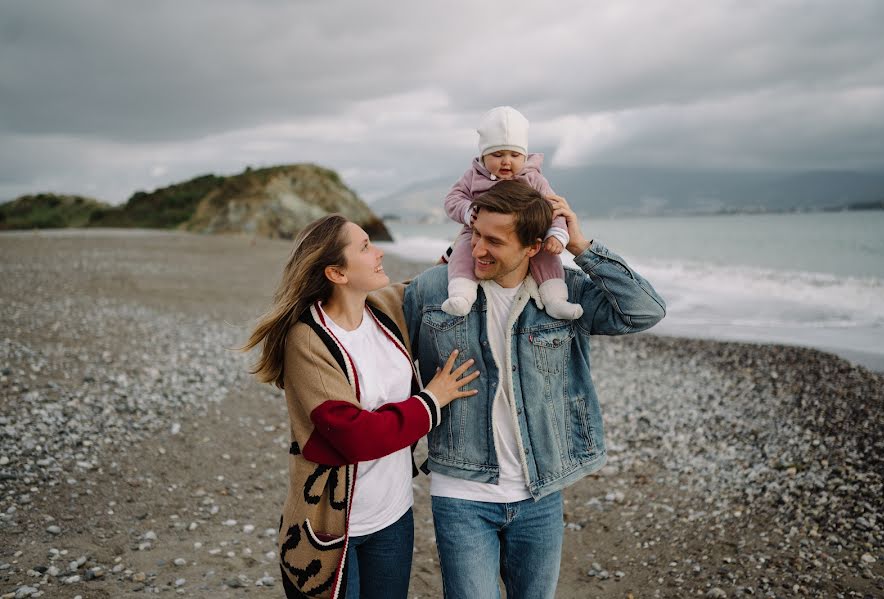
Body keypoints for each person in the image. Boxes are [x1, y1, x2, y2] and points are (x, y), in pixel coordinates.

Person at [403, 180, 666, 598]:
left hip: (540, 491)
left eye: (495, 241)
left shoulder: (565, 293)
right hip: (461, 490)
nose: (478, 250)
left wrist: (581, 245)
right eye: (475, 235)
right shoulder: (434, 291)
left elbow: (645, 310)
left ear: (533, 247)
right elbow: (390, 362)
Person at [243, 214, 480, 599]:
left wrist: (473, 231)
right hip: (330, 530)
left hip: (394, 517)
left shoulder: (384, 308)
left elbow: (435, 279)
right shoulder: (307, 341)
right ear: (337, 273)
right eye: (366, 247)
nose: (379, 252)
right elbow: (356, 436)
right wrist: (432, 400)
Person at [441, 105, 583, 320]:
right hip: (476, 228)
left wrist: (557, 234)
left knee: (547, 252)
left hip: (528, 233)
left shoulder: (533, 178)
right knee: (462, 250)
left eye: (515, 155)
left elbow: (555, 208)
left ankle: (555, 299)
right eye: (497, 154)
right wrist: (466, 210)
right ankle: (461, 294)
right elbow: (452, 199)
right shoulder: (473, 176)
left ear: (524, 156)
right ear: (483, 155)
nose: (506, 161)